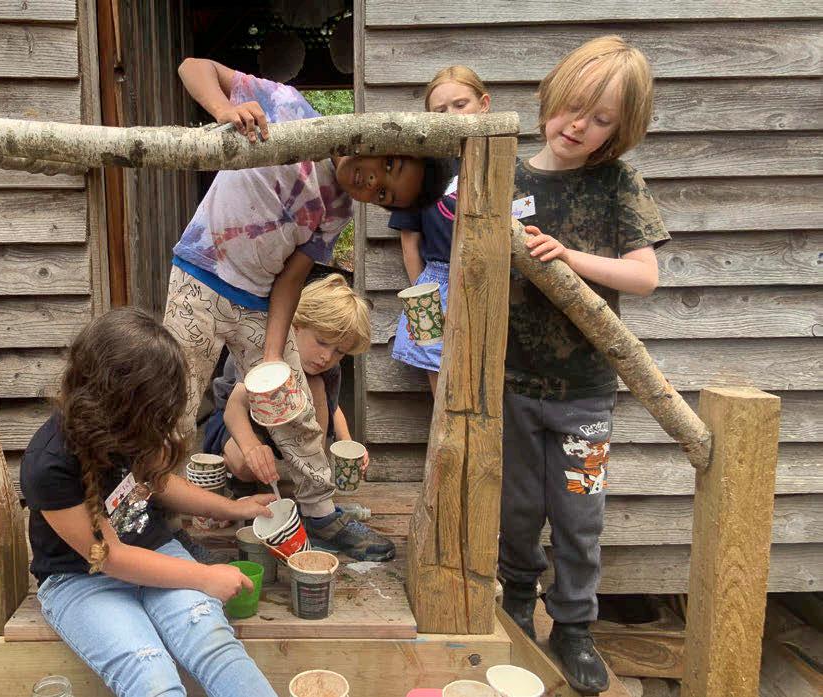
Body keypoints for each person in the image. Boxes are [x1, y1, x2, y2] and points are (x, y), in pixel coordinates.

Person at [164, 57, 456, 562]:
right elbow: (193, 67)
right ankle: (162, 520)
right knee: (173, 406)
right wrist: (223, 110)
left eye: (384, 193)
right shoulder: (288, 108)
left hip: (258, 300)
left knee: (294, 406)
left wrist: (273, 355)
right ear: (378, 137)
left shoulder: (338, 209)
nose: (372, 181)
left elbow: (292, 277)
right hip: (199, 279)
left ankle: (320, 513)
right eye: (387, 165)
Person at [497, 36, 670, 694]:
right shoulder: (505, 176)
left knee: (578, 513)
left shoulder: (617, 182)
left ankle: (572, 626)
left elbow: (643, 276)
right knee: (516, 505)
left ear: (618, 131)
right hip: (510, 382)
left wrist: (568, 258)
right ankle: (517, 601)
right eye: (573, 107)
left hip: (585, 391)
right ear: (551, 96)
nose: (578, 127)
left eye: (600, 120)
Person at [20, 308, 278, 697]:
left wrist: (234, 508)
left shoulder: (127, 425)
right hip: (82, 579)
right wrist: (205, 576)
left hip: (154, 552)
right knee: (150, 673)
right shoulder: (49, 463)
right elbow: (111, 558)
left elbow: (158, 484)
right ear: (121, 401)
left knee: (215, 646)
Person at [201, 274, 371, 493]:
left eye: (339, 351)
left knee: (316, 385)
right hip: (240, 421)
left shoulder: (329, 369)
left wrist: (347, 443)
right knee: (244, 466)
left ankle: (313, 469)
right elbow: (234, 408)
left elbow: (333, 406)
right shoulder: (266, 349)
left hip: (288, 422)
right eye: (321, 342)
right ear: (296, 325)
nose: (327, 357)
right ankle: (228, 467)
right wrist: (252, 449)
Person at [389, 65, 491, 393]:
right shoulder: (421, 171)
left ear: (484, 104)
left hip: (490, 280)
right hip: (436, 283)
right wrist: (422, 297)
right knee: (440, 378)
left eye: (461, 105)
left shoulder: (504, 164)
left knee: (488, 373)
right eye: (440, 111)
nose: (452, 116)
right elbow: (409, 239)